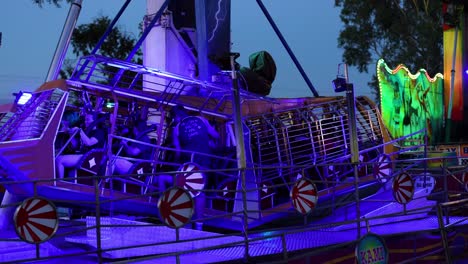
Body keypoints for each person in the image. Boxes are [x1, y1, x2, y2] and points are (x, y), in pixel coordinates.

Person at [171, 106, 220, 230]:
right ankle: (199, 225)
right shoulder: (201, 120)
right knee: (200, 192)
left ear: (176, 117)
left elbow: (178, 152)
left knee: (185, 190)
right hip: (204, 160)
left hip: (188, 163)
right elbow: (216, 135)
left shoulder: (177, 128)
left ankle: (184, 220)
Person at [55, 111, 107, 179]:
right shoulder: (87, 131)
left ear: (95, 121)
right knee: (56, 157)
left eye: (88, 120)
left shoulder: (99, 132)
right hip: (83, 156)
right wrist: (70, 134)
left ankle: (59, 183)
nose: (86, 122)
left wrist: (80, 131)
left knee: (59, 160)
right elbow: (75, 146)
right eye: (85, 120)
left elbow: (89, 143)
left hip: (91, 158)